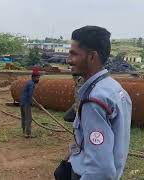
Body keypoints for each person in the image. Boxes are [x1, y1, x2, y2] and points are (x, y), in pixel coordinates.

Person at [56, 26, 132, 180]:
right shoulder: (115, 89)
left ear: (92, 57)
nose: (68, 60)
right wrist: (68, 160)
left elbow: (100, 170)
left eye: (74, 54)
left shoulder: (94, 100)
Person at [19, 68, 41, 138]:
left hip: (22, 102)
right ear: (33, 77)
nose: (38, 79)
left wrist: (36, 103)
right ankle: (28, 134)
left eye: (38, 77)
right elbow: (30, 96)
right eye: (37, 77)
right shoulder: (32, 84)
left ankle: (23, 132)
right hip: (26, 103)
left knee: (23, 117)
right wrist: (37, 104)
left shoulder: (29, 82)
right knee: (29, 118)